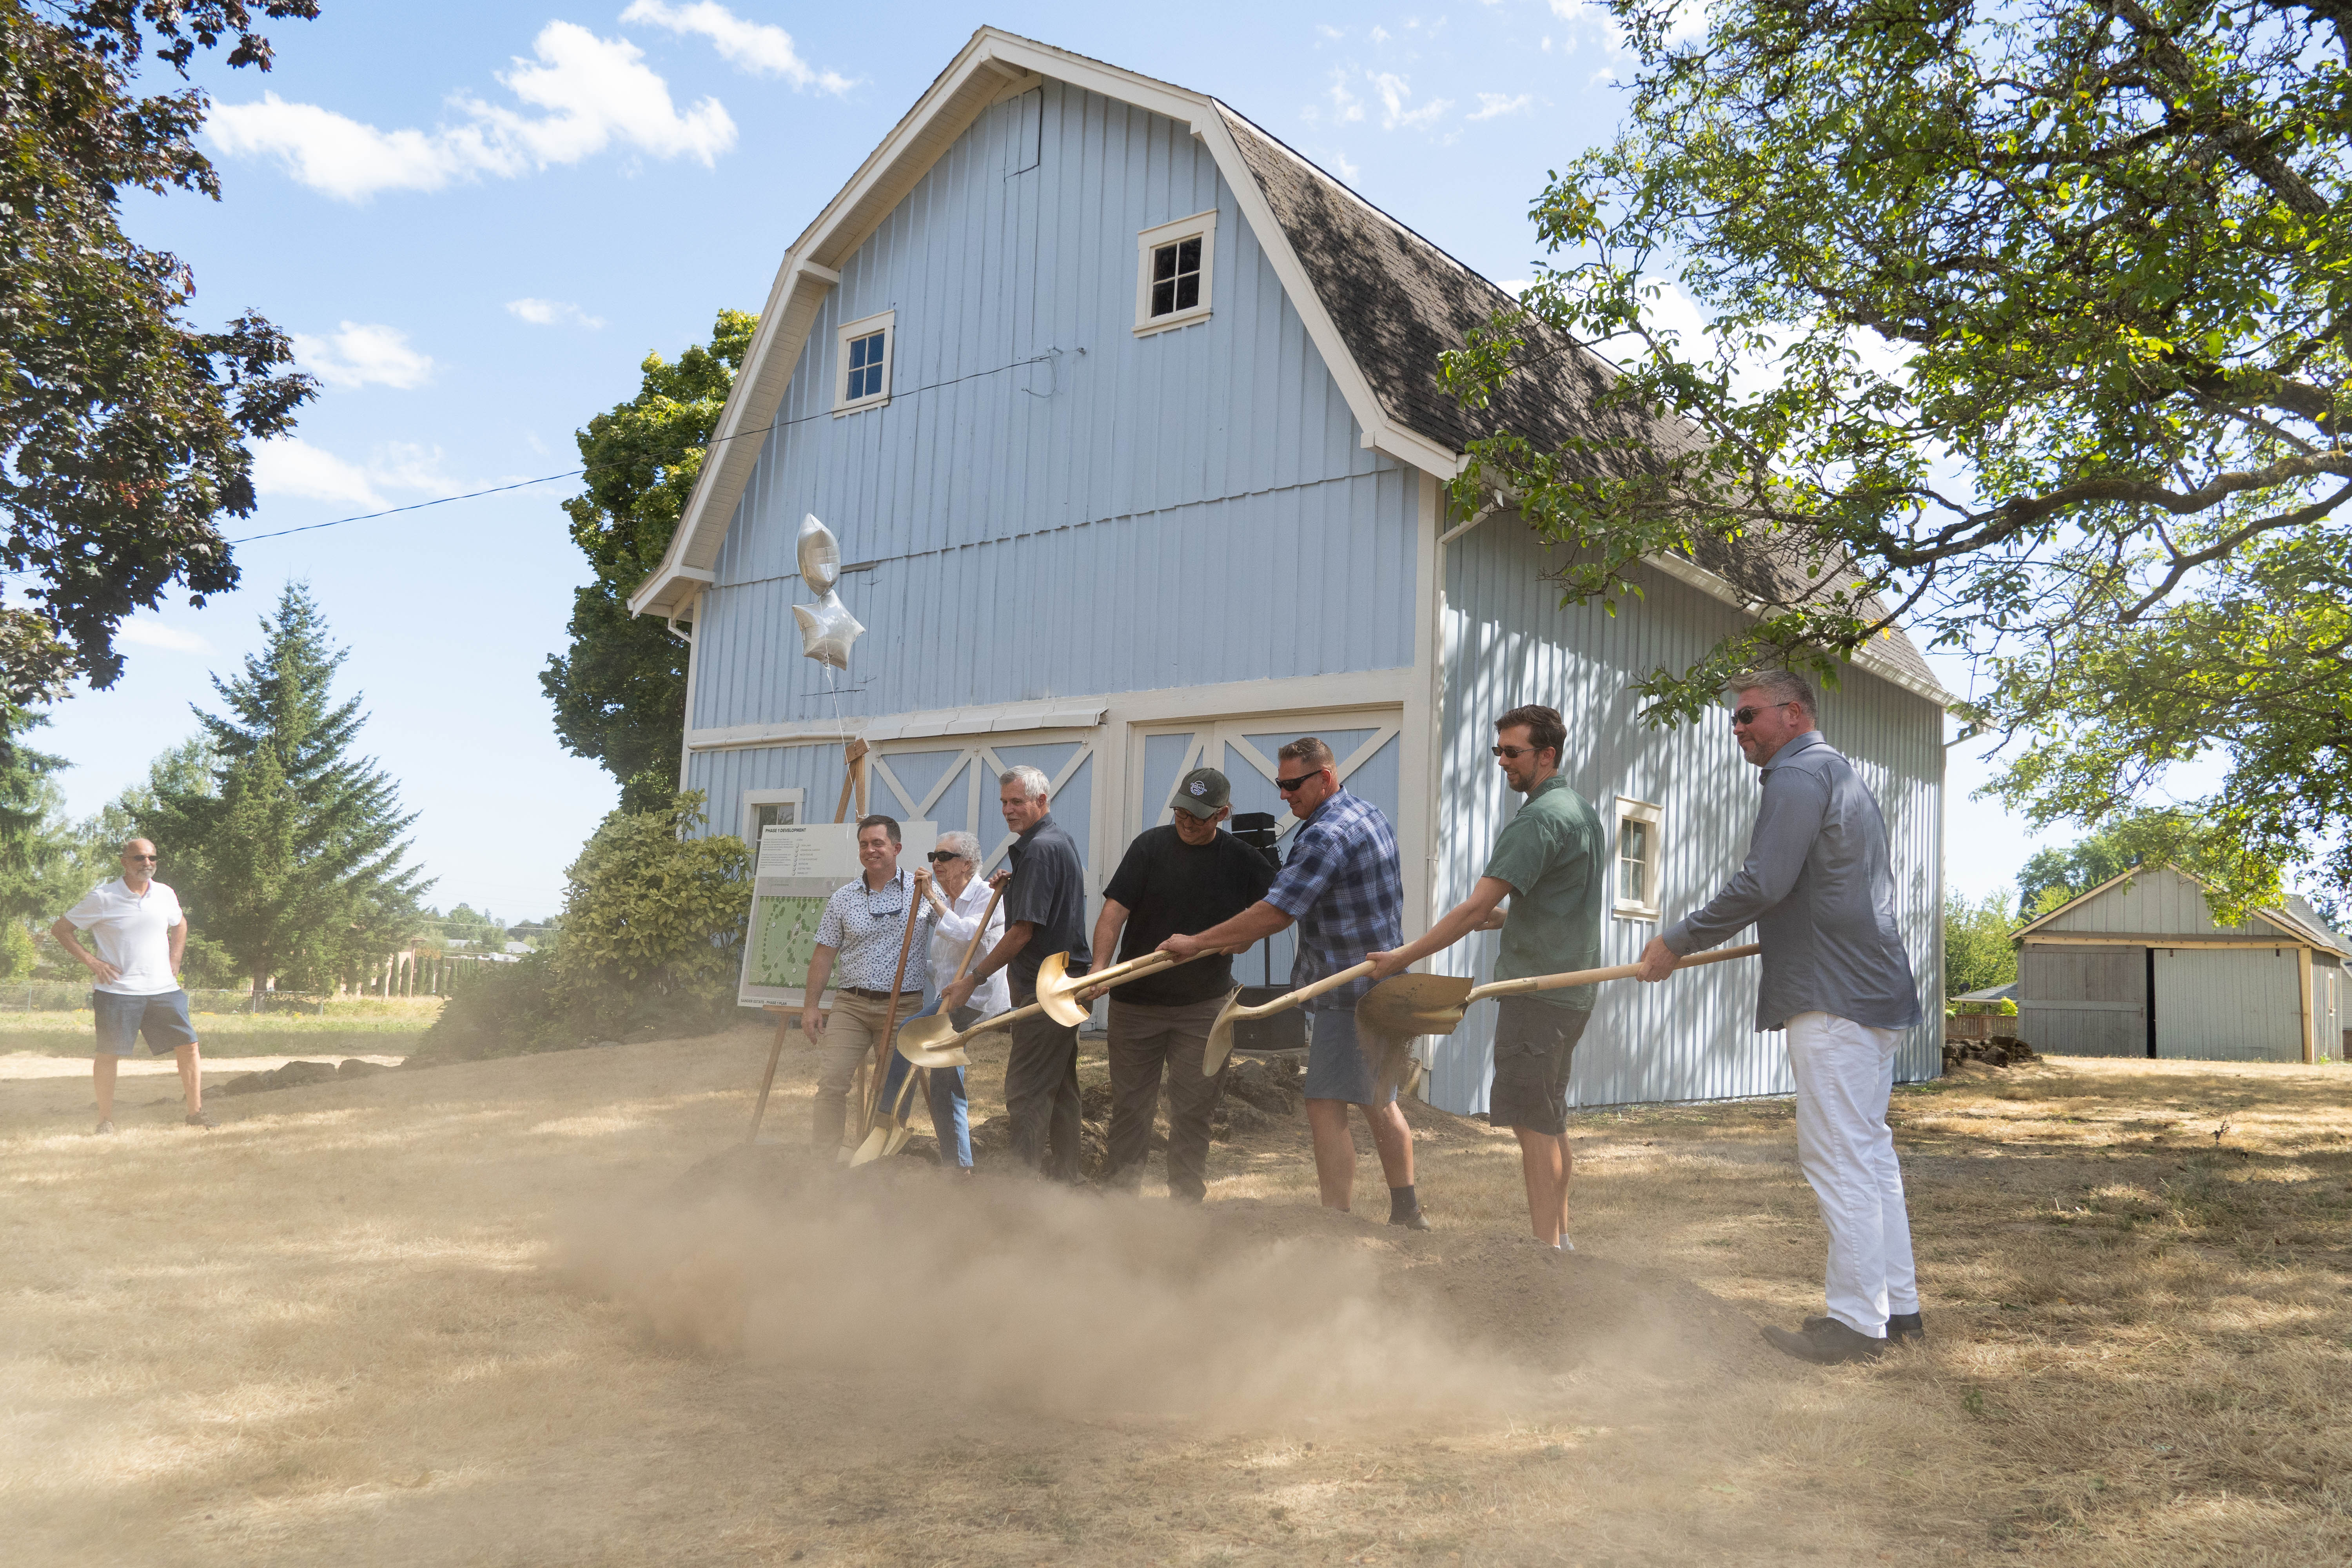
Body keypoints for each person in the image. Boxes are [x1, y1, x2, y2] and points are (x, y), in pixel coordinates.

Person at [1636, 671, 1925, 1364]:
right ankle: (1898, 1309)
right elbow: (1821, 889)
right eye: (1733, 720)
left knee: (1840, 1159)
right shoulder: (1841, 776)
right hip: (1871, 990)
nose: (1737, 730)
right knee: (1870, 1156)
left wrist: (1678, 939)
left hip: (1833, 998)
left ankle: (1857, 1324)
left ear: (1793, 715)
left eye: (1747, 716)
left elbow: (1763, 883)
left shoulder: (1797, 778)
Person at [1163, 739, 1425, 1228]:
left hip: (1347, 992)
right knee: (1378, 1099)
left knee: (1324, 1103)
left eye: (1292, 784)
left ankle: (1335, 1222)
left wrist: (1198, 942)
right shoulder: (1369, 813)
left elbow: (1277, 911)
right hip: (1384, 982)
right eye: (1279, 784)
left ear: (1324, 777)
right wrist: (1238, 937)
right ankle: (1408, 1211)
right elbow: (1310, 904)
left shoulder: (1325, 834)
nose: (1284, 795)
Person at [1369, 704, 1603, 1252]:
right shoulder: (1579, 810)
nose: (1502, 762)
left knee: (1533, 1127)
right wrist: (1511, 918)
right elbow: (1555, 900)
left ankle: (1546, 1252)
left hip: (1535, 995)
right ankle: (1563, 1240)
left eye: (1513, 752)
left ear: (1547, 755)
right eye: (1498, 751)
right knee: (1551, 1119)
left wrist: (1403, 957)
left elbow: (1475, 909)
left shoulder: (1539, 819)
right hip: (1571, 993)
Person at [1088, 766, 1277, 1201]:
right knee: (1131, 1109)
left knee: (1194, 1109)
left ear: (1223, 814)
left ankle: (1186, 1207)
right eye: (1181, 813)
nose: (1187, 822)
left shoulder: (1244, 861)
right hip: (1135, 1002)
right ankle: (1119, 1202)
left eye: (1198, 816)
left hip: (1204, 1008)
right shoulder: (1149, 848)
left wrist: (1242, 941)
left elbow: (1274, 914)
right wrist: (1100, 969)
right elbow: (1114, 913)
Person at [940, 766, 1090, 1180]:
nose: (1008, 810)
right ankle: (1068, 1178)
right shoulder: (1052, 843)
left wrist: (975, 977)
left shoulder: (1041, 849)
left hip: (1046, 989)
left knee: (1026, 1091)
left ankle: (1021, 1190)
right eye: (1004, 802)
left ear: (1041, 802)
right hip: (1064, 983)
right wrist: (1015, 880)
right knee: (1060, 1088)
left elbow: (1024, 931)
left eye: (1017, 802)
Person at [52, 838, 209, 1132]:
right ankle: (106, 1121)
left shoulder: (165, 894)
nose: (147, 863)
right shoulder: (103, 897)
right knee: (109, 1054)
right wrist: (92, 961)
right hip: (117, 992)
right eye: (139, 858)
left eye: (152, 857)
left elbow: (180, 923)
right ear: (124, 861)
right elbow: (61, 929)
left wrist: (176, 958)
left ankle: (196, 1114)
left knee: (189, 1047)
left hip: (164, 989)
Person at [800, 815, 936, 1155]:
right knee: (832, 1083)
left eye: (878, 843)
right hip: (852, 1005)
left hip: (903, 1006)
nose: (871, 850)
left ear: (897, 847)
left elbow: (958, 928)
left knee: (893, 1089)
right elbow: (823, 954)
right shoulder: (843, 898)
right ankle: (824, 1160)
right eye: (864, 844)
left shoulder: (921, 892)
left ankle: (878, 1159)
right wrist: (811, 1006)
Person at [907, 829, 1005, 1174]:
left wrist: (932, 899)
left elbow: (968, 934)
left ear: (967, 864)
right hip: (950, 997)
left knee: (911, 1034)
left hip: (976, 998)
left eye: (944, 857)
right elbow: (945, 963)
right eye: (934, 856)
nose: (936, 863)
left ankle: (888, 1118)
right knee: (945, 1078)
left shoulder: (988, 894)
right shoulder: (949, 900)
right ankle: (958, 1166)